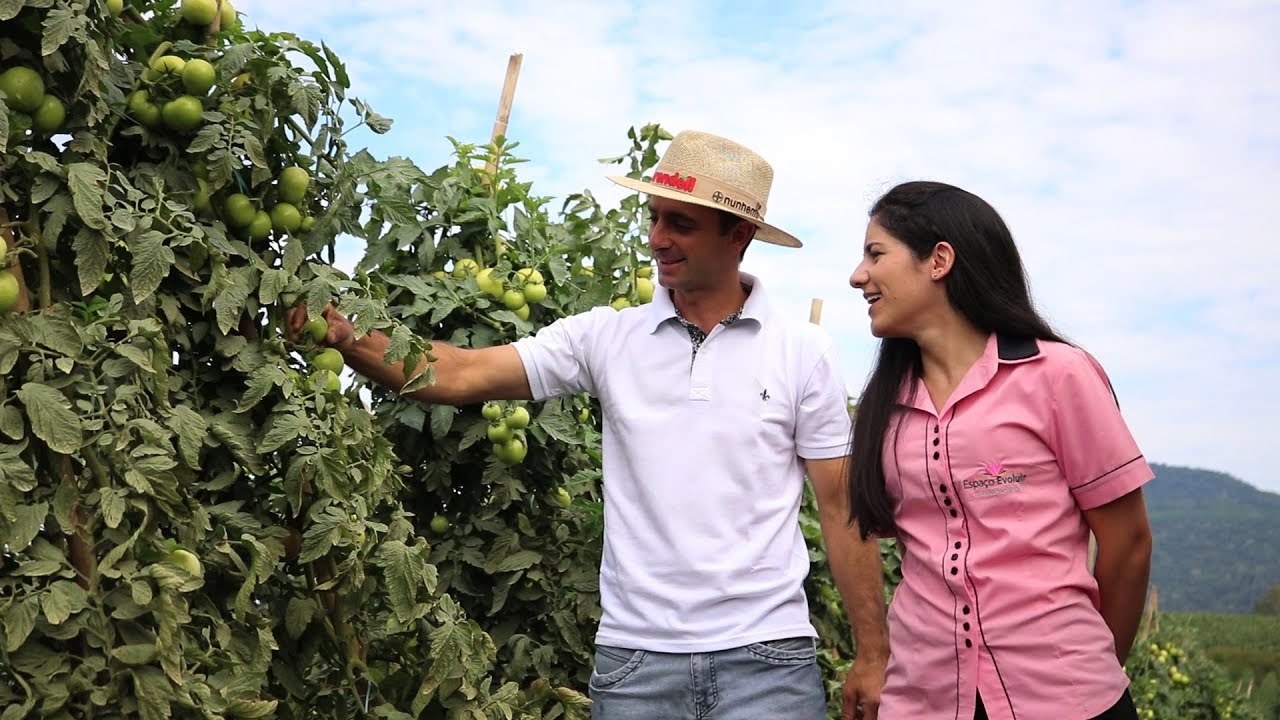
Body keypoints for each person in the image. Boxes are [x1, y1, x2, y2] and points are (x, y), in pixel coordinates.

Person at [288, 130, 889, 720]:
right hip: (636, 663)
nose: (657, 239)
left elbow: (841, 510)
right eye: (655, 218)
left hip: (768, 660)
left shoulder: (802, 351)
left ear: (740, 236)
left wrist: (873, 652)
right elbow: (463, 375)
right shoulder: (606, 337)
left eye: (680, 224)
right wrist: (349, 338)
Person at [844, 180, 1154, 720]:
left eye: (876, 254)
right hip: (923, 700)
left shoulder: (1058, 376)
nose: (857, 275)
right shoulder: (884, 408)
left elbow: (1127, 545)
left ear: (938, 260)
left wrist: (1085, 672)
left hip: (1063, 695)